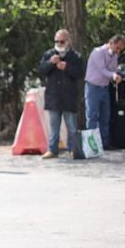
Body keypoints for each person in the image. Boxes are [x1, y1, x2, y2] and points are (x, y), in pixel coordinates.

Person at [38, 30, 85, 159]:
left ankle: (73, 149)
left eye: (62, 41)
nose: (59, 43)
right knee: (54, 127)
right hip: (53, 96)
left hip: (69, 96)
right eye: (56, 41)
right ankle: (52, 150)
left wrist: (67, 67)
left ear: (68, 41)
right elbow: (41, 70)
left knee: (71, 127)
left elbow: (80, 74)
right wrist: (50, 63)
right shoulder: (49, 54)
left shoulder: (76, 56)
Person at [84, 34, 125, 149]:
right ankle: (91, 146)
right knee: (92, 116)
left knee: (105, 116)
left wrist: (118, 74)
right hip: (93, 87)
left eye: (120, 49)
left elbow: (113, 70)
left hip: (104, 87)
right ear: (111, 43)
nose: (118, 51)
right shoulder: (98, 52)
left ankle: (104, 143)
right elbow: (103, 69)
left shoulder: (115, 56)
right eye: (117, 48)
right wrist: (114, 75)